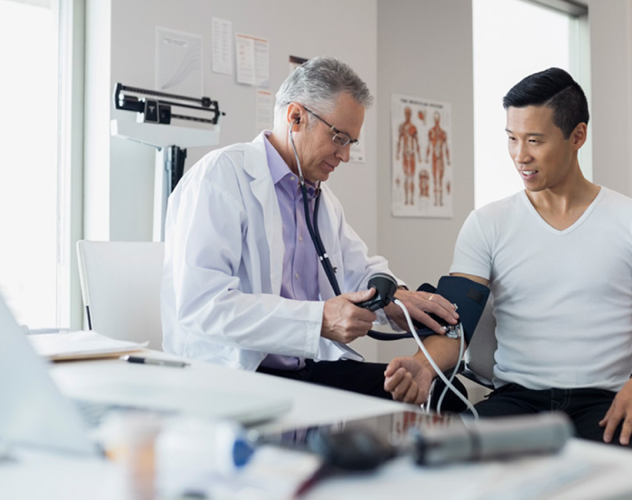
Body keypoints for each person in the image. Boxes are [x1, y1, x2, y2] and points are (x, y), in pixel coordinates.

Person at [384, 67, 632, 455]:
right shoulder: (487, 224)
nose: (520, 156)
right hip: (516, 402)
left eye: (534, 140)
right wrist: (424, 364)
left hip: (607, 403)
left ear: (577, 136)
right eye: (511, 139)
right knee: (445, 466)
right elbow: (455, 323)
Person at [161, 56, 461, 402]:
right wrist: (316, 320)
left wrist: (393, 298)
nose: (345, 156)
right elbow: (203, 306)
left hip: (302, 372)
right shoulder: (220, 178)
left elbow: (357, 269)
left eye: (351, 142)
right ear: (295, 117)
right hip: (233, 376)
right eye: (339, 137)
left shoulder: (320, 198)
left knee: (441, 395)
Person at [396, 106, 422, 205]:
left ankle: (411, 200)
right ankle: (407, 199)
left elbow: (417, 142)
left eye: (409, 114)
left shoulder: (413, 128)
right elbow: (399, 141)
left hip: (412, 154)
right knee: (406, 177)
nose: (408, 115)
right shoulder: (402, 127)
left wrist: (419, 156)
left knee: (411, 177)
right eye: (406, 113)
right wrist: (398, 153)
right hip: (405, 153)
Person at [425, 111, 450, 207]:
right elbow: (428, 146)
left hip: (441, 159)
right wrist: (426, 157)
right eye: (435, 118)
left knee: (440, 180)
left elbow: (446, 147)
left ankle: (440, 201)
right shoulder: (431, 132)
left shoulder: (443, 133)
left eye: (437, 118)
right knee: (435, 180)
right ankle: (436, 201)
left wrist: (448, 159)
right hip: (434, 159)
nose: (436, 120)